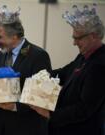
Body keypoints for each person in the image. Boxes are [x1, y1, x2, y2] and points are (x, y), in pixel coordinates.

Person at [31, 4, 105, 135]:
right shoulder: (84, 56)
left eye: (78, 38)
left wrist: (50, 114)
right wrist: (39, 76)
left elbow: (85, 108)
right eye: (73, 38)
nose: (74, 43)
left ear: (93, 36)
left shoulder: (100, 64)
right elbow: (64, 72)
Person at [0, 5, 52, 135]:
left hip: (27, 127)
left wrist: (14, 106)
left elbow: (42, 96)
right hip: (2, 127)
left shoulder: (38, 55)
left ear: (14, 36)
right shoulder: (0, 55)